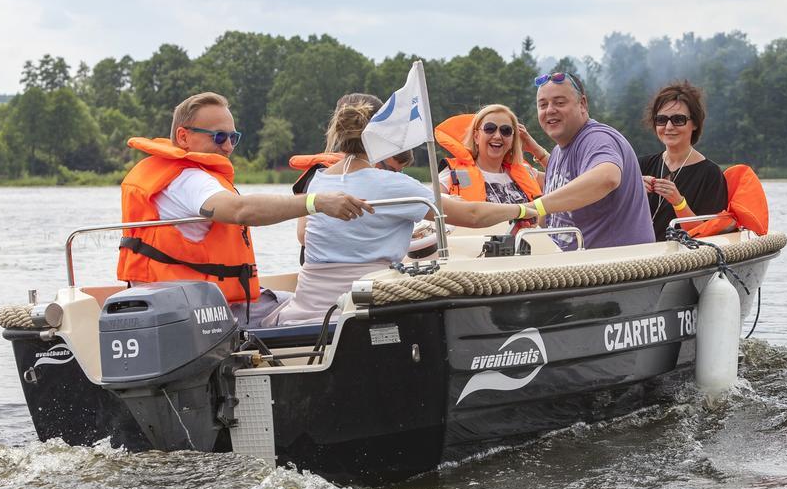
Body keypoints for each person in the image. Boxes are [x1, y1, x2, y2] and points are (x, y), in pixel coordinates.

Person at [264, 95, 533, 326]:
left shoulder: (318, 180)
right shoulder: (396, 185)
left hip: (301, 315)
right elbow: (473, 217)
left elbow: (306, 237)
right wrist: (525, 208)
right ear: (385, 136)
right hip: (357, 315)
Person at [118, 91, 372, 327]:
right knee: (337, 312)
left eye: (233, 137)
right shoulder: (190, 181)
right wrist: (316, 202)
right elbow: (240, 210)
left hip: (187, 302)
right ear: (184, 137)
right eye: (219, 137)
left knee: (303, 300)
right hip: (208, 311)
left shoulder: (175, 176)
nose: (228, 146)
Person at [531, 71, 653, 249]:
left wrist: (533, 207)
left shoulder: (597, 138)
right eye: (543, 105)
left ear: (582, 104)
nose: (550, 110)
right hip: (567, 267)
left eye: (559, 102)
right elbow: (550, 215)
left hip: (615, 271)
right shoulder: (557, 152)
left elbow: (607, 177)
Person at [638, 81, 728, 242]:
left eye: (678, 119)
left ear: (694, 123)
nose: (669, 126)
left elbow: (708, 234)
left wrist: (678, 202)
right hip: (641, 258)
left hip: (686, 260)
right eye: (661, 119)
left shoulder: (711, 174)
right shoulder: (640, 166)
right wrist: (633, 192)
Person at [436, 104, 543, 204]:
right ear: (476, 136)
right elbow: (430, 210)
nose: (497, 136)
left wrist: (536, 150)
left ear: (513, 139)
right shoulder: (451, 174)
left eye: (506, 130)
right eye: (490, 129)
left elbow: (559, 182)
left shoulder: (527, 172)